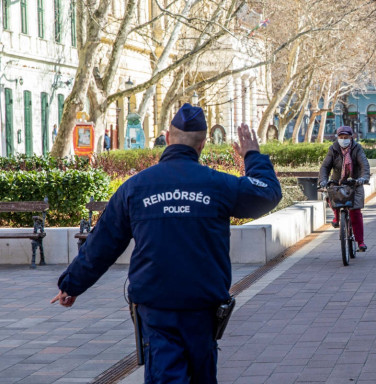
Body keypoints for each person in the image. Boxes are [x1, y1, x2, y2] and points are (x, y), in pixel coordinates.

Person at [51, 104, 282, 383]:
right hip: (203, 306)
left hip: (156, 307)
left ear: (167, 138)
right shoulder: (218, 185)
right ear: (203, 144)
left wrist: (72, 284)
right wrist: (252, 155)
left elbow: (103, 243)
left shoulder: (135, 188)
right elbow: (267, 192)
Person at [318, 125, 370, 251]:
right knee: (331, 194)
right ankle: (336, 216)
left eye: (346, 137)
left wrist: (363, 178)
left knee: (355, 212)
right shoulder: (333, 149)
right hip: (338, 182)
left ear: (351, 138)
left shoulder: (357, 149)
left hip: (355, 182)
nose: (343, 139)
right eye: (341, 137)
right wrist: (323, 180)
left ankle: (360, 242)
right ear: (338, 138)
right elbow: (325, 167)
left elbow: (364, 165)